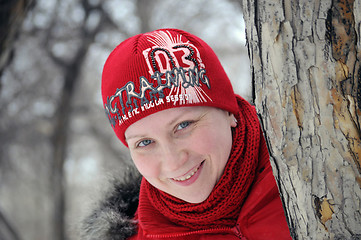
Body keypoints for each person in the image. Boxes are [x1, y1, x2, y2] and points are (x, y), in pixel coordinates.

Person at [81, 28, 292, 240]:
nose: (173, 162)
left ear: (228, 111)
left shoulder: (309, 168)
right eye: (145, 142)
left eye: (183, 125)